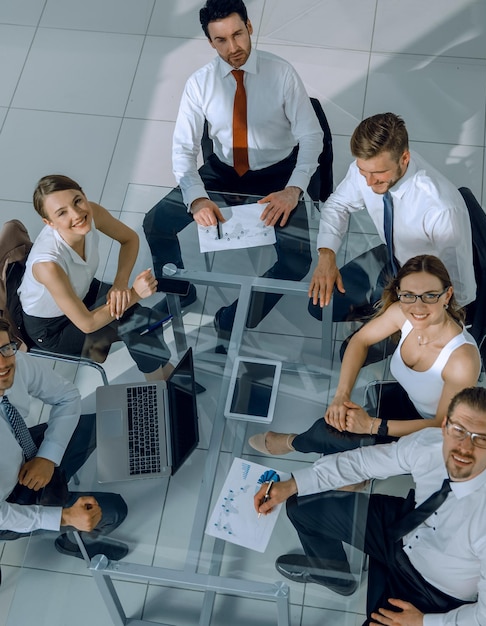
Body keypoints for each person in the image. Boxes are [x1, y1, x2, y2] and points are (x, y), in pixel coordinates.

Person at [143, 0, 323, 340]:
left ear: (249, 27)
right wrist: (196, 199)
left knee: (297, 263)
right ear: (210, 42)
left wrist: (294, 188)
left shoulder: (281, 73)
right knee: (155, 223)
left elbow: (312, 137)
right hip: (223, 171)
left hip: (276, 175)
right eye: (221, 40)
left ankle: (232, 320)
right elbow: (183, 148)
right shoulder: (200, 83)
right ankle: (180, 291)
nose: (233, 48)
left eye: (238, 35)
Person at [255, 386, 486, 625]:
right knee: (301, 504)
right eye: (458, 430)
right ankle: (332, 575)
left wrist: (424, 622)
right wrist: (293, 483)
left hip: (431, 590)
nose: (464, 447)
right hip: (403, 525)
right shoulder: (430, 443)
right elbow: (363, 463)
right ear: (444, 425)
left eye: (481, 439)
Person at [249, 255, 481, 457]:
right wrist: (341, 395)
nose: (417, 307)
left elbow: (441, 426)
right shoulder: (402, 312)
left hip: (431, 433)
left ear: (447, 295)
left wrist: (373, 426)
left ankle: (293, 443)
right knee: (341, 419)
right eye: (409, 295)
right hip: (408, 400)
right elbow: (360, 340)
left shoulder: (462, 360)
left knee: (332, 433)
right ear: (399, 293)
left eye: (430, 296)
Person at [308, 112, 476, 323]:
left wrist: (413, 316)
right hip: (392, 258)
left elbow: (461, 292)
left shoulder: (440, 208)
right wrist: (327, 254)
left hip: (424, 285)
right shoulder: (370, 167)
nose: (368, 183)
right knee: (319, 307)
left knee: (354, 348)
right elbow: (337, 204)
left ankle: (381, 320)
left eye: (378, 173)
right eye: (362, 171)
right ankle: (376, 315)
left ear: (404, 158)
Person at [18, 174, 175, 382]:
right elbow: (87, 325)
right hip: (54, 329)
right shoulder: (48, 265)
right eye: (62, 213)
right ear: (49, 222)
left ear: (83, 194)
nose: (77, 214)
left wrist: (120, 285)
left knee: (141, 320)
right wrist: (135, 294)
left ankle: (163, 378)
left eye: (77, 201)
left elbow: (129, 239)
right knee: (137, 323)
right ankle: (160, 383)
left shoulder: (91, 213)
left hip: (81, 292)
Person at [0, 317, 128, 568]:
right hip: (8, 502)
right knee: (114, 510)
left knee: (110, 425)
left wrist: (48, 457)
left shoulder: (15, 361)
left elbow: (66, 396)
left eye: (5, 348)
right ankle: (71, 540)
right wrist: (65, 516)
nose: (3, 363)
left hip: (24, 452)